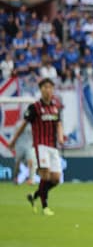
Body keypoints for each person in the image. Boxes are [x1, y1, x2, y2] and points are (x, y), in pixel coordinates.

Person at [8, 78, 64, 216]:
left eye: (50, 87)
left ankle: (34, 196)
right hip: (40, 145)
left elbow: (58, 123)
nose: (48, 90)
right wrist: (13, 140)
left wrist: (61, 136)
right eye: (45, 87)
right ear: (41, 89)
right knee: (44, 175)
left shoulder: (55, 106)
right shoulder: (34, 107)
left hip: (53, 146)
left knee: (56, 178)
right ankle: (45, 207)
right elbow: (24, 125)